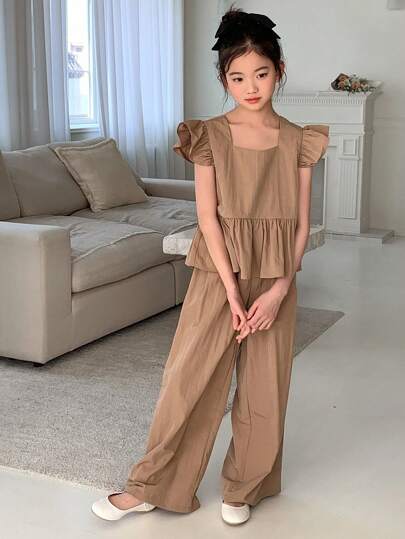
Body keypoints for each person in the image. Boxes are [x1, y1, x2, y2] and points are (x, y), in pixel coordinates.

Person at [91, 4, 329, 526]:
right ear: (223, 79)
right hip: (217, 272)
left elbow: (300, 224)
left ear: (279, 70)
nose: (251, 87)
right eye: (237, 77)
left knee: (266, 385)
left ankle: (246, 485)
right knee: (188, 378)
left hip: (275, 274)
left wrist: (278, 289)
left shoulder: (299, 139)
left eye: (261, 74)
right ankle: (154, 485)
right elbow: (207, 218)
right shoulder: (208, 136)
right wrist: (232, 290)